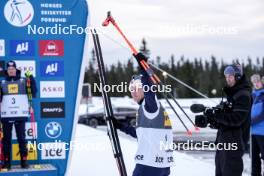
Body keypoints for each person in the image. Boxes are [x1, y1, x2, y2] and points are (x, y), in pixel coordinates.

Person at [112, 53, 174, 176]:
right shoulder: (151, 108)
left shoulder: (150, 105)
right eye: (131, 88)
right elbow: (141, 134)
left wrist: (143, 69)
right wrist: (120, 125)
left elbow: (149, 89)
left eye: (137, 87)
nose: (133, 92)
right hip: (163, 166)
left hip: (149, 165)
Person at [203, 64, 251, 176]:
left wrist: (217, 115)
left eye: (230, 76)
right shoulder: (232, 94)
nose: (227, 78)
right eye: (226, 76)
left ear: (238, 77)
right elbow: (225, 120)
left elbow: (236, 119)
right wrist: (212, 119)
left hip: (234, 144)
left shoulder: (243, 95)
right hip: (223, 143)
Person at [0, 60, 37, 169]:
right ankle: (7, 162)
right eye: (9, 69)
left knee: (22, 138)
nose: (11, 71)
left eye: (13, 69)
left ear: (16, 70)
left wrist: (31, 78)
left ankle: (24, 161)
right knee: (6, 139)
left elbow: (34, 92)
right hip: (6, 116)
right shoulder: (2, 83)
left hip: (20, 115)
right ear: (7, 71)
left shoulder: (24, 81)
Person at [250, 74, 264, 176]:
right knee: (254, 159)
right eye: (254, 82)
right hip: (253, 133)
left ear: (261, 81)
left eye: (257, 81)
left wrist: (251, 121)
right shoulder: (253, 95)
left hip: (262, 132)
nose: (256, 83)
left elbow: (262, 115)